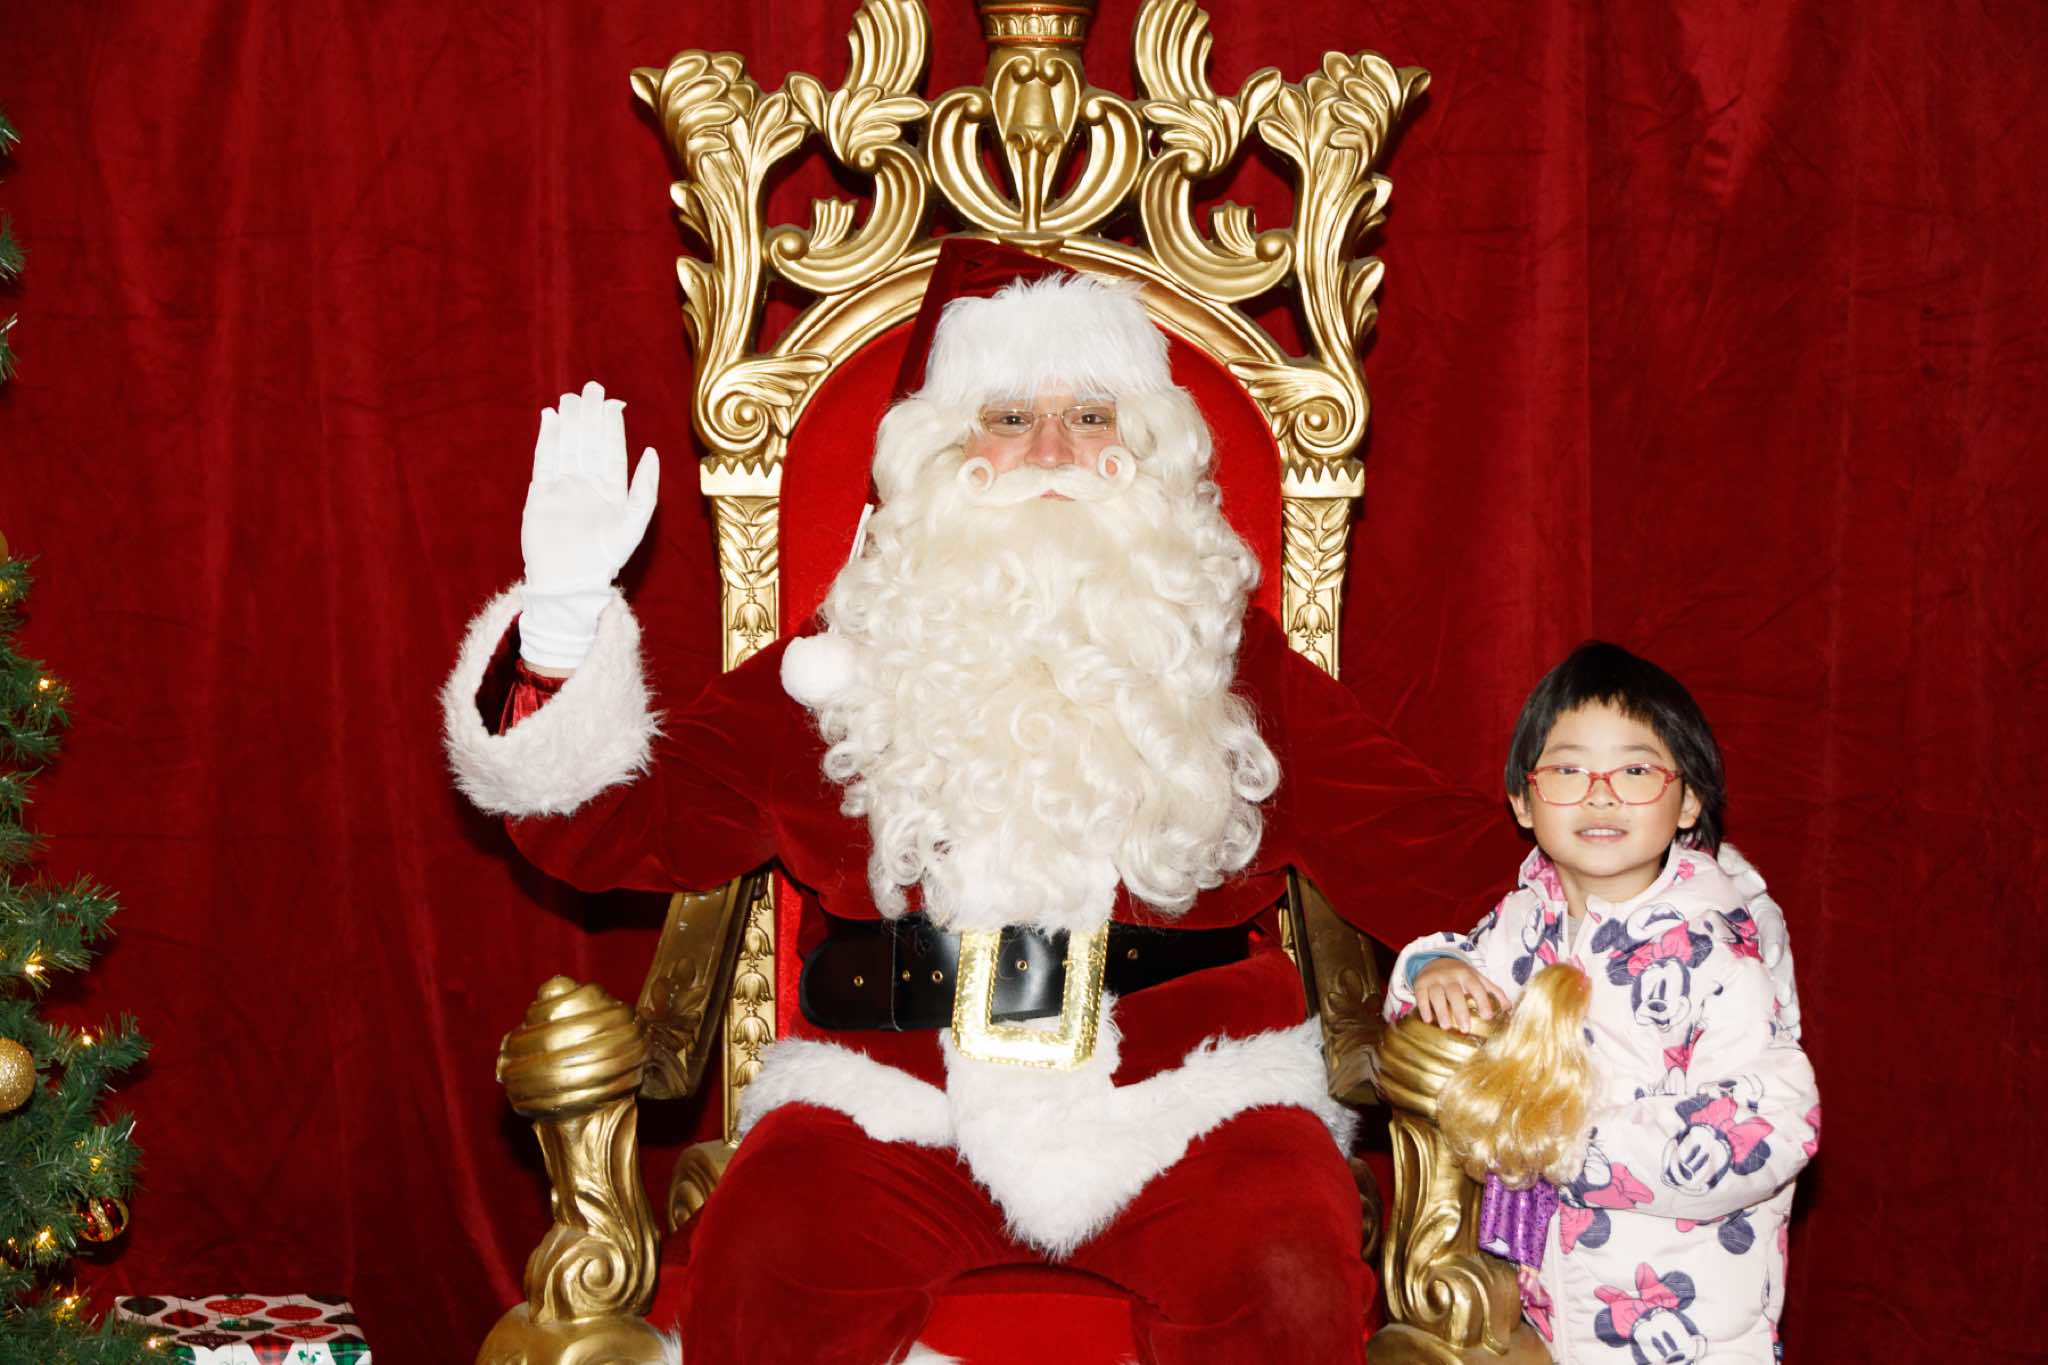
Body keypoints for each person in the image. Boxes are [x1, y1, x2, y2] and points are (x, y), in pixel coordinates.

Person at [443, 240, 1526, 1365]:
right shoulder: (839, 662)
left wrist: (1604, 834)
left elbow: (1427, 848)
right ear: (942, 451)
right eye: (1008, 418)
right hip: (890, 1102)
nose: (1051, 452)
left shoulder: (1226, 660)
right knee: (769, 1264)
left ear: (1148, 448)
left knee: (1285, 1272)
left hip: (1190, 1101)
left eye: (1092, 416)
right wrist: (561, 623)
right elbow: (610, 826)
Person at [1385, 643, 1819, 1364]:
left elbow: (1772, 1121)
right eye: (1567, 770)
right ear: (1522, 800)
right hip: (1551, 1314)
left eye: (1636, 771)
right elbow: (1446, 979)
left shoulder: (1712, 951)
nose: (1600, 793)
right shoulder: (1527, 919)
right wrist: (1433, 968)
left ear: (1689, 801)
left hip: (1689, 1330)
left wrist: (1571, 1147)